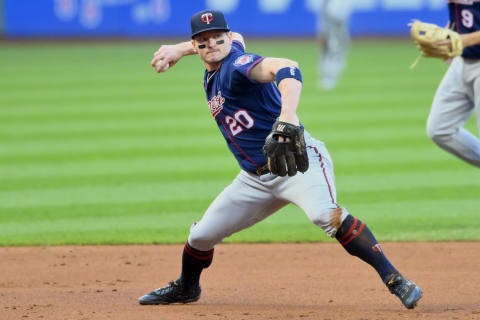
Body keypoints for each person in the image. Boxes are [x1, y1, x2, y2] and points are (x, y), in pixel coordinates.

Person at [139, 9, 423, 309]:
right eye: (204, 40)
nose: (213, 44)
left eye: (218, 37)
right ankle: (187, 287)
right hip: (254, 180)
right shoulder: (225, 53)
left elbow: (287, 67)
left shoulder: (237, 64)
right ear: (196, 45)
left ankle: (395, 280)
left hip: (299, 166)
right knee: (200, 236)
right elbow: (234, 38)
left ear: (226, 36)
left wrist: (287, 118)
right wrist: (178, 50)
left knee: (325, 215)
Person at [426, 1, 480, 168]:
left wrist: (464, 40)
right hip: (462, 63)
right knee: (439, 129)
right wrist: (447, 35)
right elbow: (464, 14)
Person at [318, 0, 354, 90]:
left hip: (337, 19)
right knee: (333, 48)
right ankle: (328, 77)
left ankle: (330, 75)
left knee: (336, 47)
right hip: (333, 20)